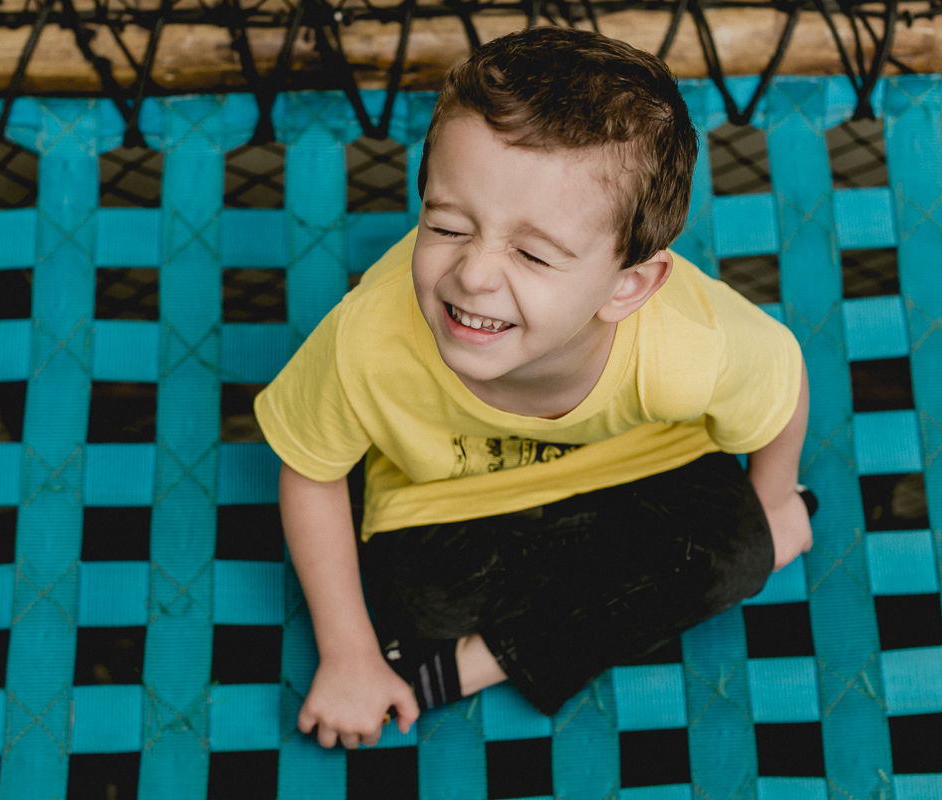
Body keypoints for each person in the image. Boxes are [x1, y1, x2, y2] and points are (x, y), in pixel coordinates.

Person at [253, 26, 813, 750]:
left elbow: (782, 376)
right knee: (416, 599)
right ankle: (450, 650)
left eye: (532, 253)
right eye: (447, 226)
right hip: (453, 504)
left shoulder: (688, 344)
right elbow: (310, 471)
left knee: (735, 548)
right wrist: (349, 651)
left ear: (626, 286)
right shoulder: (370, 340)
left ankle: (467, 669)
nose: (474, 276)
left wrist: (773, 501)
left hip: (643, 476)